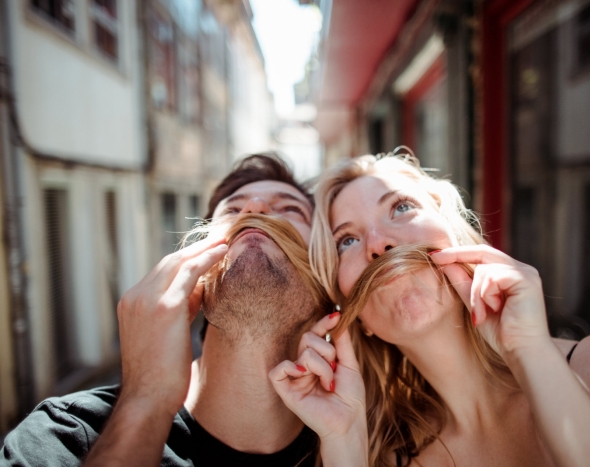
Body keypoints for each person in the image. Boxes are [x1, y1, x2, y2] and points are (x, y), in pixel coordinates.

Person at [276, 151, 590, 466]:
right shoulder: (387, 456)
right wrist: (345, 441)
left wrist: (529, 352)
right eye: (346, 240)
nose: (378, 243)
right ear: (355, 317)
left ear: (455, 235)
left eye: (401, 207)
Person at [1, 153, 365, 467]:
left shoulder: (366, 441)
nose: (255, 210)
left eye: (289, 209)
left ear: (326, 271)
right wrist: (146, 399)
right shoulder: (65, 437)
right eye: (233, 209)